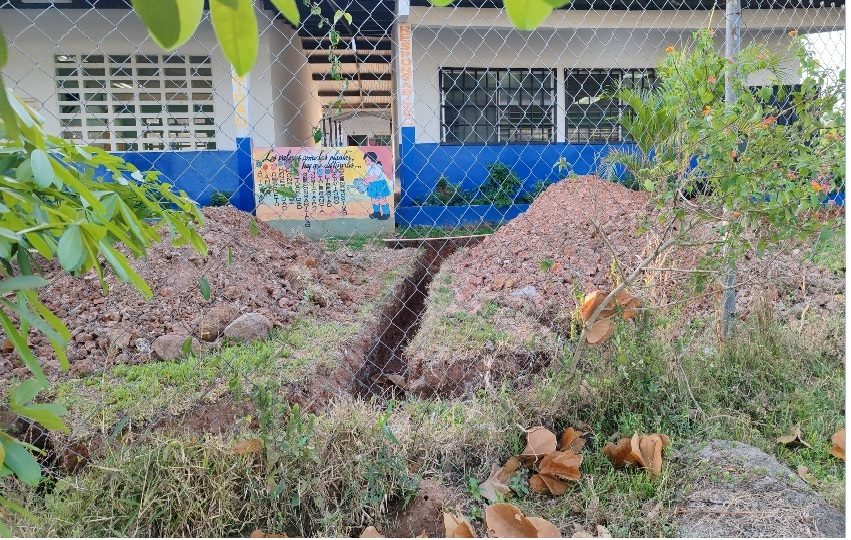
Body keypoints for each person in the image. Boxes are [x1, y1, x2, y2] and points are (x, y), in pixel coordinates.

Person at [362, 151, 391, 220]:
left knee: (381, 199)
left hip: (379, 184)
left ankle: (386, 213)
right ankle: (376, 213)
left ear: (372, 159)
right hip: (373, 185)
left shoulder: (377, 168)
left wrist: (367, 181)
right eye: (365, 160)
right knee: (374, 199)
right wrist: (364, 179)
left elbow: (375, 177)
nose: (365, 161)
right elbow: (368, 175)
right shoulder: (368, 167)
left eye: (367, 159)